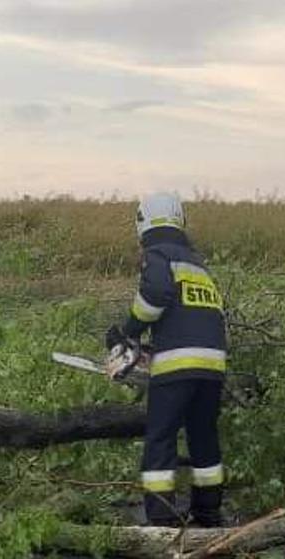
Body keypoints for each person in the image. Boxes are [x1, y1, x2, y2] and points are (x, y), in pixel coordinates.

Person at [105, 192, 230, 527]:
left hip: (177, 365)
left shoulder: (158, 254)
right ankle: (208, 512)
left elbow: (155, 295)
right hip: (212, 365)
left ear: (143, 222)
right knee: (204, 437)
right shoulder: (196, 263)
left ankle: (161, 517)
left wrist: (128, 331)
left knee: (160, 438)